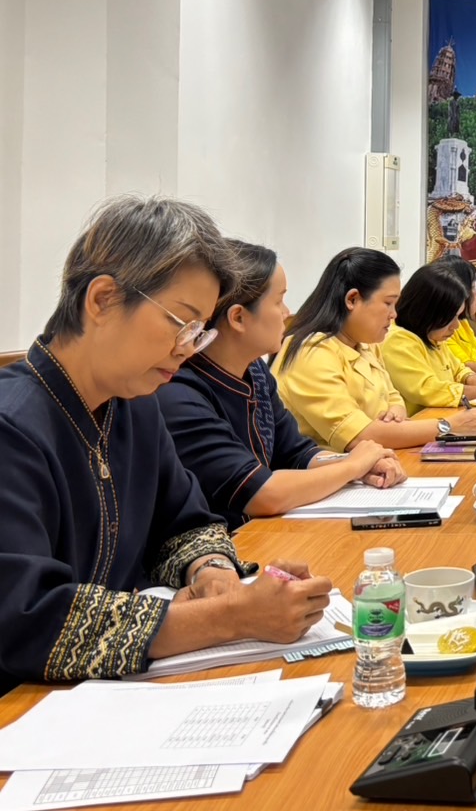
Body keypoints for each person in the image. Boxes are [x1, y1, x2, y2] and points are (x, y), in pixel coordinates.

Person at [0, 196, 332, 693]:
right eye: (181, 323)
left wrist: (212, 571)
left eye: (199, 331)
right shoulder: (13, 425)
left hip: (107, 692)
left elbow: (186, 524)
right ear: (102, 300)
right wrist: (230, 616)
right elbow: (27, 617)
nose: (187, 347)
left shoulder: (134, 406)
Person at [159, 241, 406, 530]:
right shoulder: (180, 392)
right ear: (238, 317)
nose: (287, 313)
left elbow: (297, 452)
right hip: (227, 542)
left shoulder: (255, 371)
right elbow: (262, 494)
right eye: (279, 301)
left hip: (263, 533)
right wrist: (353, 465)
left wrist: (357, 463)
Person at [273, 248, 476, 449]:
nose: (394, 314)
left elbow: (393, 396)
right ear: (352, 299)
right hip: (331, 470)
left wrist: (396, 411)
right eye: (388, 303)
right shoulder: (312, 352)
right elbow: (359, 436)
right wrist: (448, 426)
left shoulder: (365, 345)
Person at [382, 264, 476, 416]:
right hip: (423, 423)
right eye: (450, 318)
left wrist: (470, 378)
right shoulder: (398, 341)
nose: (456, 326)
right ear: (426, 312)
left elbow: (457, 368)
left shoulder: (432, 337)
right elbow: (428, 390)